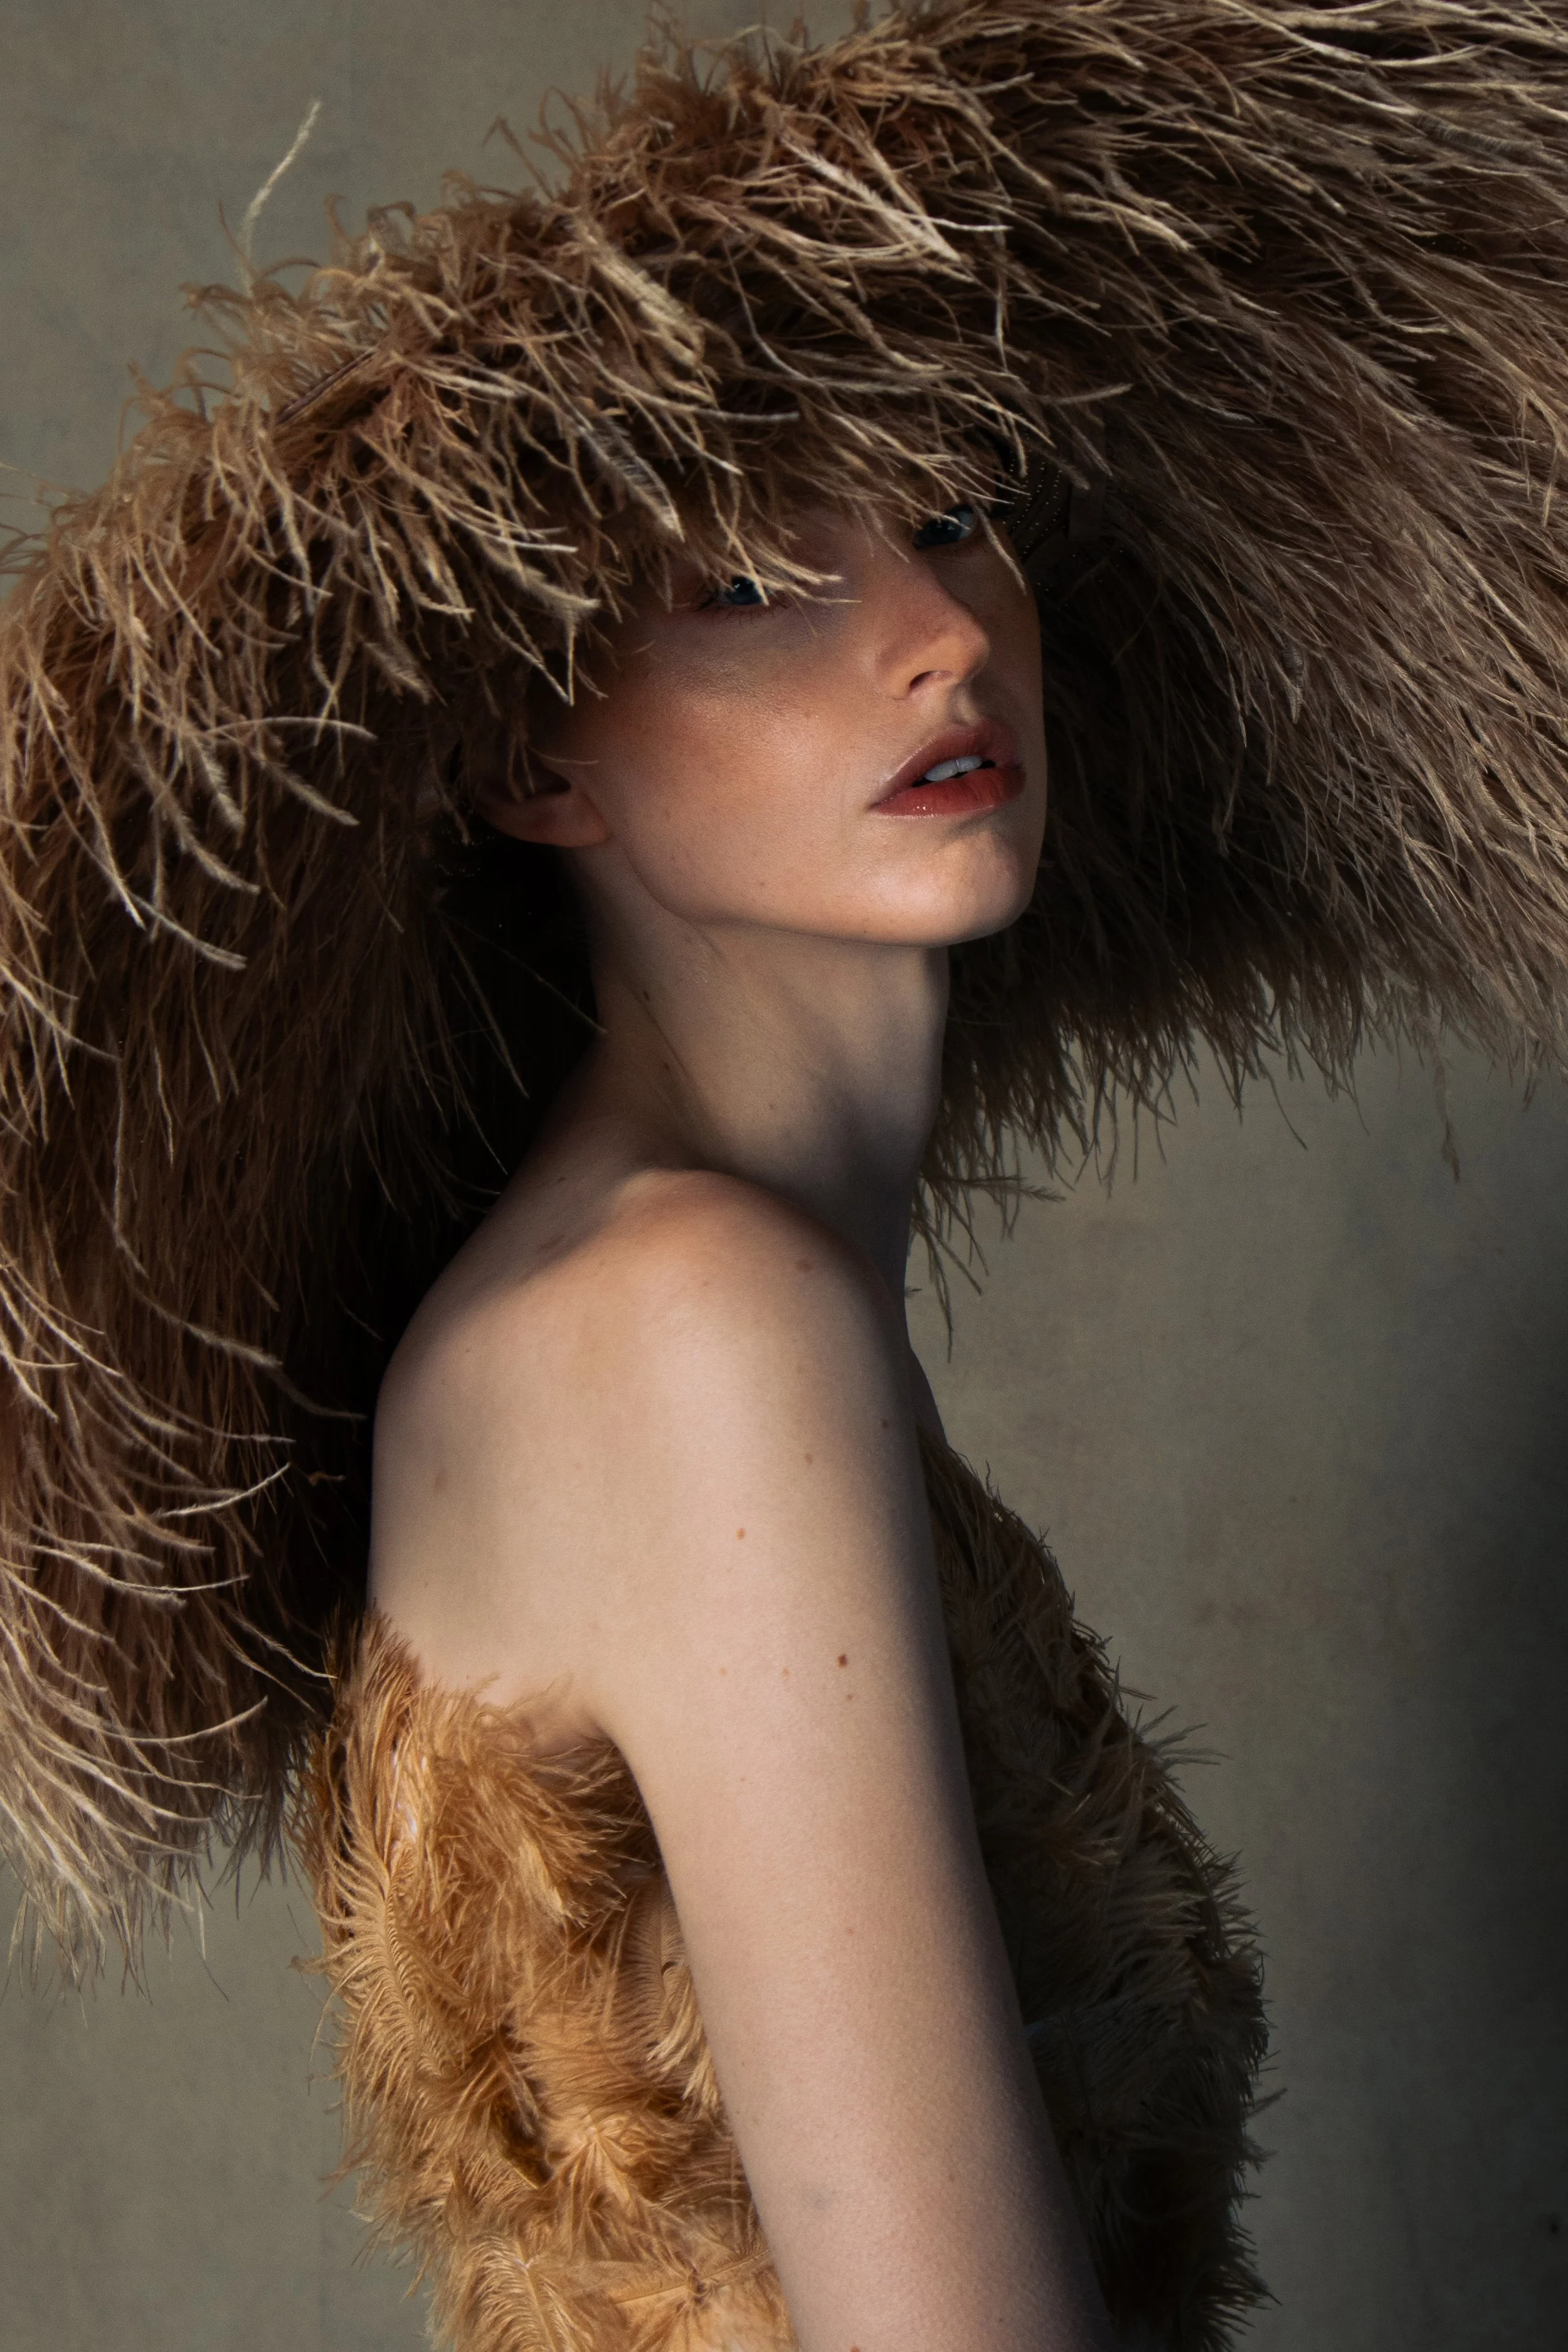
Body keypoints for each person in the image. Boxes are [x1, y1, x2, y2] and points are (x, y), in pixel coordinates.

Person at [4, 2, 1568, 2347]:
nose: (939, 635)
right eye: (754, 581)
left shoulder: (628, 1292)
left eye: (952, 521)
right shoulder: (692, 1324)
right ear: (532, 752)